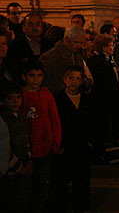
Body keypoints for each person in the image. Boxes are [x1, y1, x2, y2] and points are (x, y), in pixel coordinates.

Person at [20, 60, 62, 212]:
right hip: (28, 149)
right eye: (32, 76)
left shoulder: (46, 95)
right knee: (27, 187)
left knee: (43, 185)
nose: (36, 79)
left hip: (45, 148)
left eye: (39, 75)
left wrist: (55, 142)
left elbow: (54, 120)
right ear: (24, 77)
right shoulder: (20, 96)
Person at [52, 66, 92, 213]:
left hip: (81, 145)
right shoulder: (57, 99)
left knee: (81, 178)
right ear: (65, 79)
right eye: (71, 78)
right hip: (65, 146)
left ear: (82, 81)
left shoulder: (86, 99)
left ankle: (81, 204)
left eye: (77, 79)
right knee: (62, 178)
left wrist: (90, 141)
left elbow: (91, 122)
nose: (74, 82)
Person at [86, 34, 119, 163]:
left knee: (105, 127)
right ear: (103, 47)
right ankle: (98, 153)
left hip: (110, 100)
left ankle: (102, 152)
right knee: (100, 128)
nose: (113, 47)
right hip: (101, 100)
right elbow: (102, 81)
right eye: (110, 45)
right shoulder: (97, 61)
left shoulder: (110, 59)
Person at [0, 80, 31, 212]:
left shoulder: (20, 118)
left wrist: (28, 161)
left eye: (18, 98)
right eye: (10, 98)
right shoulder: (4, 120)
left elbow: (25, 140)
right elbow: (6, 147)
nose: (15, 101)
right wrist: (19, 166)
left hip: (22, 167)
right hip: (10, 171)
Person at [40, 25, 92, 95]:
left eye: (81, 43)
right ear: (66, 39)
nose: (79, 46)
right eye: (76, 42)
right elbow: (44, 83)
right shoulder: (49, 57)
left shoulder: (78, 55)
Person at [5, 13, 53, 82]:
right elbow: (12, 68)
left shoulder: (49, 44)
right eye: (30, 25)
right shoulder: (15, 45)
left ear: (42, 27)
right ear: (23, 28)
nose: (35, 28)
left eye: (38, 24)